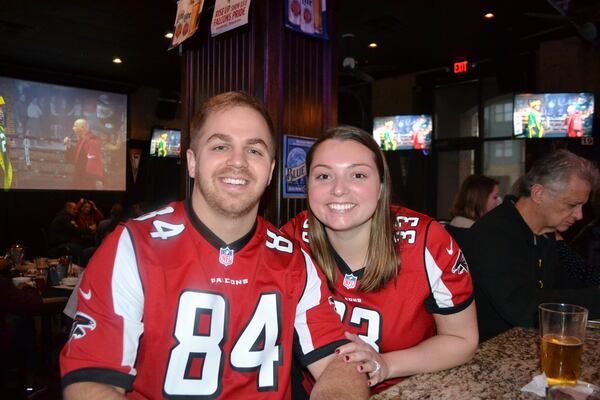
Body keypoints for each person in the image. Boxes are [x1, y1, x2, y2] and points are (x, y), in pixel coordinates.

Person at [59, 92, 368, 400]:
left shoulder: (295, 261)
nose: (238, 162)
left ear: (272, 172)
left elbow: (341, 361)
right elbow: (89, 382)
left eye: (254, 151)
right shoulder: (132, 247)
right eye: (221, 146)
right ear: (192, 162)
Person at [281, 126, 478, 395]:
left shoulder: (427, 242)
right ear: (308, 187)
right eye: (324, 175)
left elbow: (462, 339)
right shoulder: (289, 242)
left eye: (358, 175)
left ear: (381, 186)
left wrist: (386, 364)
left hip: (406, 390)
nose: (339, 190)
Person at [461, 149, 600, 342]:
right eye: (571, 205)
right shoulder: (494, 234)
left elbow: (582, 280)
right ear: (538, 193)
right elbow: (525, 310)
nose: (579, 215)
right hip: (487, 353)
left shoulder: (545, 233)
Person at [446, 175, 500, 248]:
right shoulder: (479, 235)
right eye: (495, 197)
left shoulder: (450, 228)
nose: (498, 203)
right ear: (481, 199)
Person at [64, 118, 104, 190]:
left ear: (83, 128)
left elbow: (94, 160)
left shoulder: (92, 140)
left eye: (75, 126)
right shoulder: (82, 139)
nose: (73, 128)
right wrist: (69, 145)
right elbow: (77, 156)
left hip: (86, 179)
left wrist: (96, 178)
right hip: (80, 176)